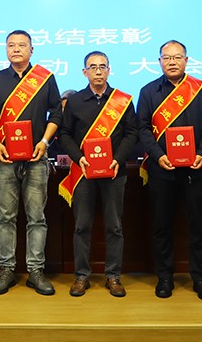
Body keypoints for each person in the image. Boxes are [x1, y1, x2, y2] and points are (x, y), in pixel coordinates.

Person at [137, 40, 202, 302]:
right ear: (159, 61)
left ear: (186, 60)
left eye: (177, 57)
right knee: (161, 226)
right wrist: (158, 155)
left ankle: (201, 278)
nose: (172, 62)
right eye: (167, 57)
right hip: (162, 170)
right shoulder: (148, 91)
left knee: (199, 226)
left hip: (196, 169)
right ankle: (165, 277)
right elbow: (142, 129)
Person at [0, 30, 62, 295]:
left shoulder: (45, 78)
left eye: (22, 45)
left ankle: (35, 271)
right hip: (5, 158)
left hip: (36, 158)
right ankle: (6, 269)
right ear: (6, 50)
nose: (16, 49)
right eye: (11, 45)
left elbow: (56, 114)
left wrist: (44, 142)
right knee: (5, 217)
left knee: (36, 217)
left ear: (32, 49)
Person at [58, 51, 137, 298]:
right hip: (83, 172)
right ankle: (81, 276)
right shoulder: (75, 101)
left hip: (115, 172)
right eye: (93, 67)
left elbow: (132, 133)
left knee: (114, 226)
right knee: (82, 226)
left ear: (109, 70)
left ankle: (113, 275)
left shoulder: (122, 100)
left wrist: (117, 159)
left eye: (103, 66)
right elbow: (64, 134)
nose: (98, 71)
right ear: (85, 72)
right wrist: (78, 157)